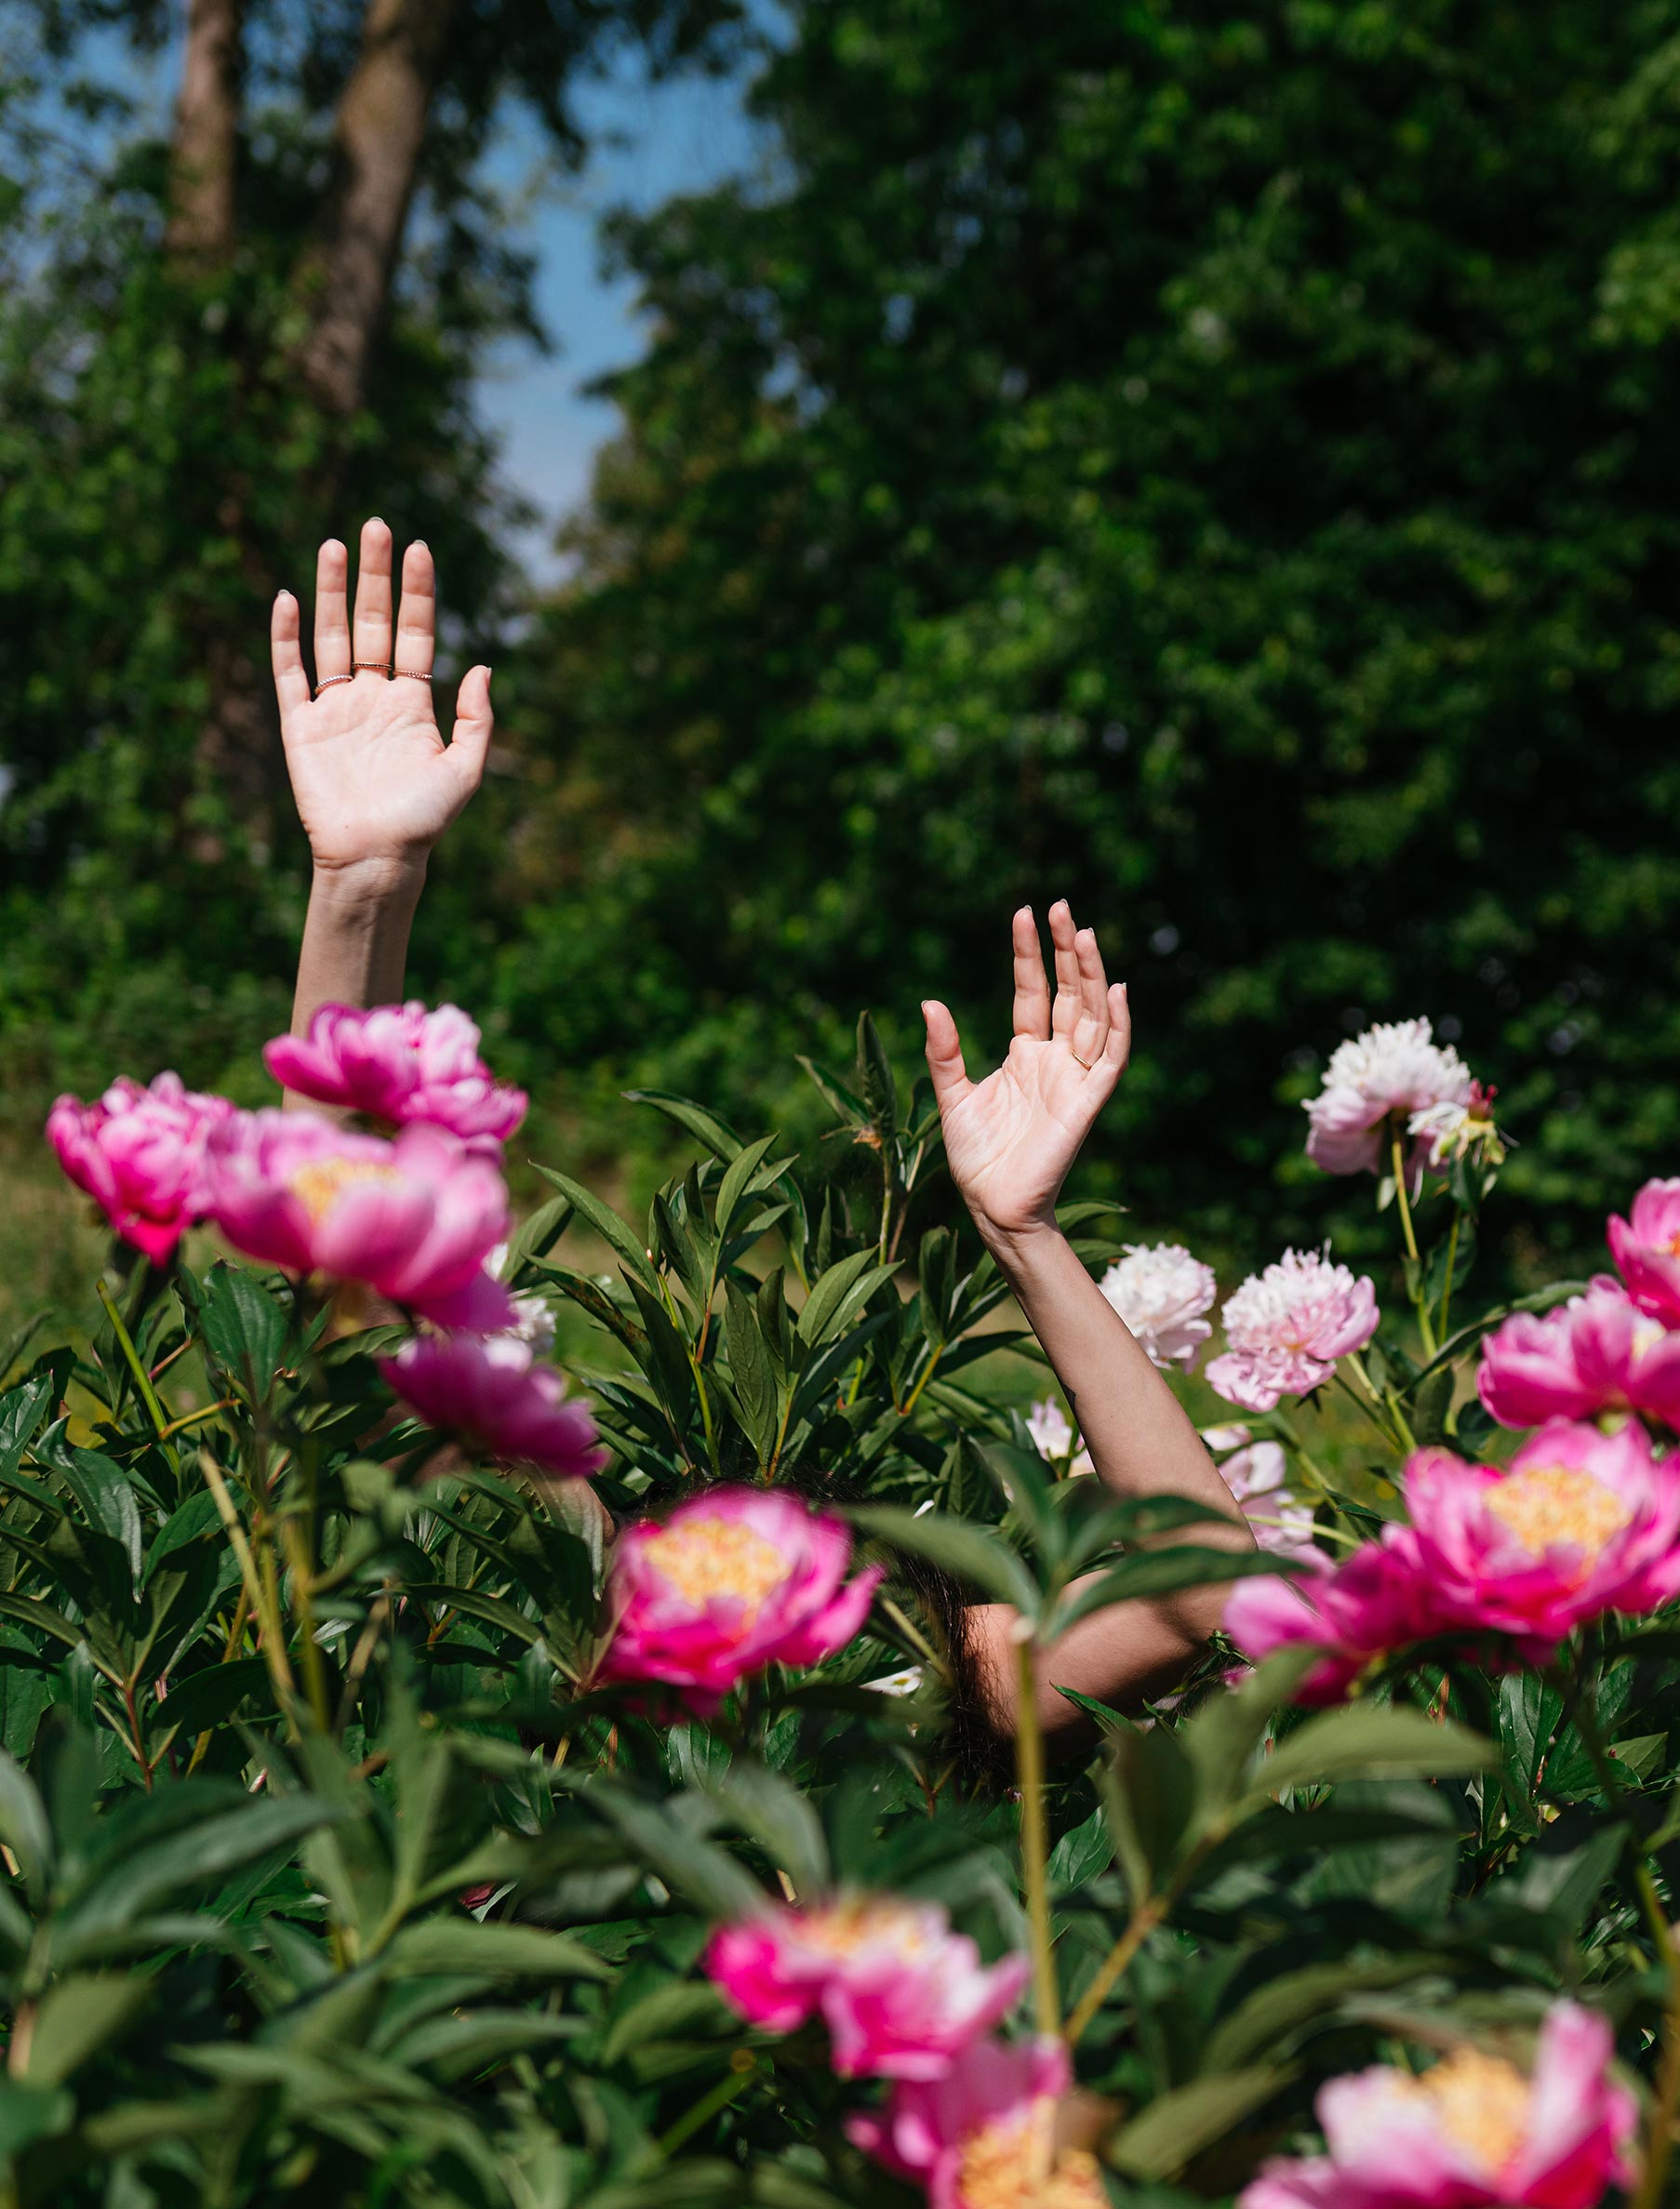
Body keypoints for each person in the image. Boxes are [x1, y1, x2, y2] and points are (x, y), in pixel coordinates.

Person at [270, 522, 1254, 1750]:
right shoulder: (498, 1639)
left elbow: (1196, 1587)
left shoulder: (882, 1704)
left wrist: (1025, 1236)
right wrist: (363, 892)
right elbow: (334, 1284)